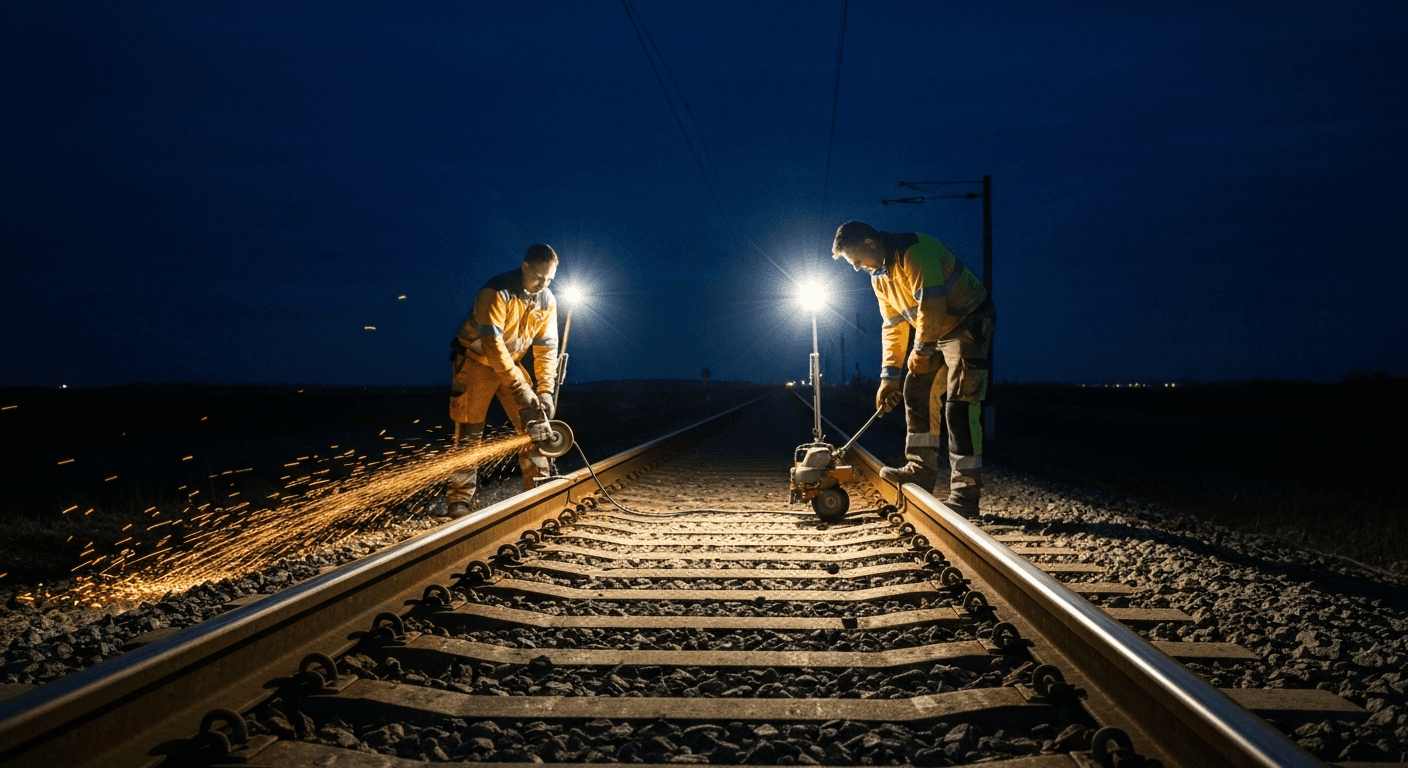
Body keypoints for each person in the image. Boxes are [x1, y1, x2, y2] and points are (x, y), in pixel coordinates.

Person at [831, 221, 995, 516]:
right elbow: (893, 325)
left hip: (967, 322)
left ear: (870, 243)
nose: (855, 268)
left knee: (960, 405)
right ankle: (920, 472)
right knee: (915, 389)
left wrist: (921, 351)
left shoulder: (916, 252)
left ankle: (965, 495)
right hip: (936, 330)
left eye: (855, 259)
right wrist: (889, 377)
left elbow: (932, 305)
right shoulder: (878, 276)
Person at [444, 244, 561, 516]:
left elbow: (546, 347)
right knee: (470, 433)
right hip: (477, 362)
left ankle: (539, 488)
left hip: (512, 362)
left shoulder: (547, 300)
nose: (543, 284)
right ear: (525, 267)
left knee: (535, 424)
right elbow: (492, 346)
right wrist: (520, 387)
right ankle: (458, 500)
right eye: (538, 277)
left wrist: (544, 390)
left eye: (550, 279)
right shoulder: (494, 293)